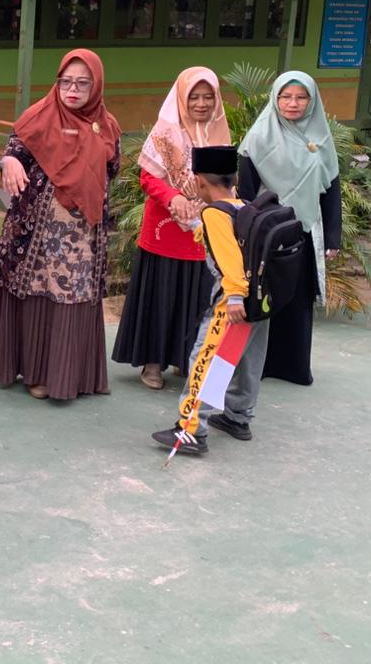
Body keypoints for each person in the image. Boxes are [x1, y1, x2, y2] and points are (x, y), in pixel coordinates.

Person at [0, 49, 122, 400]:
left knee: (71, 297)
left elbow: (113, 169)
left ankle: (69, 376)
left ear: (97, 85)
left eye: (82, 83)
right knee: (38, 294)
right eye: (66, 81)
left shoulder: (107, 126)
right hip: (37, 236)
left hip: (82, 235)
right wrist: (9, 162)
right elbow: (15, 149)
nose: (72, 89)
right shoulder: (39, 116)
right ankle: (34, 374)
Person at [113, 68, 229, 389]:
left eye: (208, 97)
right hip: (165, 229)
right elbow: (148, 177)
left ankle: (184, 358)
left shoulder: (220, 132)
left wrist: (212, 203)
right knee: (161, 293)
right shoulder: (165, 132)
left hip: (203, 229)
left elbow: (224, 182)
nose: (202, 104)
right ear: (182, 97)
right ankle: (153, 363)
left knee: (196, 295)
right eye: (194, 97)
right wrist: (174, 197)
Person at [151, 145, 271, 457]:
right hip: (258, 304)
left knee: (205, 359)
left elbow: (229, 258)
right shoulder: (242, 205)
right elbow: (229, 239)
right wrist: (191, 224)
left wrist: (232, 296)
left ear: (201, 181)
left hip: (231, 304)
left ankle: (191, 430)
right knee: (245, 361)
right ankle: (238, 416)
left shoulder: (215, 213)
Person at [237, 72, 341, 385]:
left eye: (300, 97)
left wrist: (333, 238)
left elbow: (332, 189)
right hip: (267, 235)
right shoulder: (258, 137)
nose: (292, 104)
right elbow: (245, 192)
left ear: (312, 101)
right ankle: (261, 366)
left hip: (305, 232)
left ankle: (294, 366)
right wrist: (245, 236)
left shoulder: (320, 139)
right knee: (265, 296)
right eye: (285, 97)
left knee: (298, 299)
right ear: (275, 99)